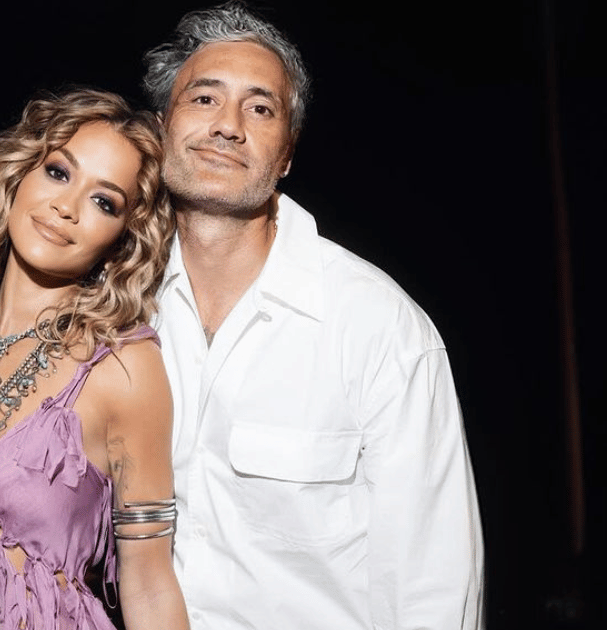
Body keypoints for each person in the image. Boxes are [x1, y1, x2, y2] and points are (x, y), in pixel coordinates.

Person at [141, 2, 485, 629]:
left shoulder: (378, 327)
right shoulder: (116, 306)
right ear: (162, 127)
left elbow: (434, 588)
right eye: (204, 98)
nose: (228, 126)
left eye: (260, 109)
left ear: (287, 155)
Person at [0, 88, 190, 630]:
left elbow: (150, 583)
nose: (66, 208)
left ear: (123, 238)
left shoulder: (122, 368)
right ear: (19, 174)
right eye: (59, 172)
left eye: (104, 202)